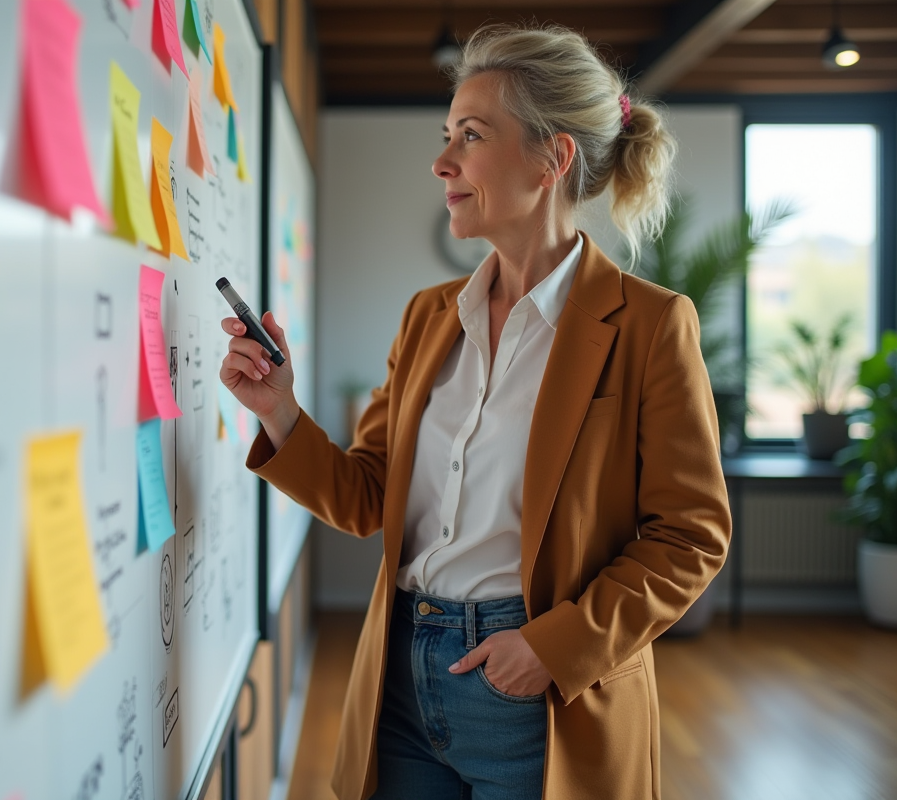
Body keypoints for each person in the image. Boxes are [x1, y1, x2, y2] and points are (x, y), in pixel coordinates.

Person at [219, 23, 731, 800]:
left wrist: (554, 648)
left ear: (553, 159)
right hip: (400, 677)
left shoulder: (651, 325)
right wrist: (280, 412)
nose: (442, 161)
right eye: (447, 135)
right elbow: (367, 497)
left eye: (471, 135)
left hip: (541, 696)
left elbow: (690, 535)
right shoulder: (428, 316)